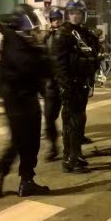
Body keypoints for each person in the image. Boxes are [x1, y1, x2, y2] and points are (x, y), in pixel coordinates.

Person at [0, 4, 52, 198]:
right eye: (29, 26)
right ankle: (0, 173)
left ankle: (27, 181)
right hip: (16, 99)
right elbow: (29, 67)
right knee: (18, 141)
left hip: (28, 98)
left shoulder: (22, 42)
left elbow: (44, 71)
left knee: (32, 141)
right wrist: (41, 50)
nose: (33, 31)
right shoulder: (13, 42)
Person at [51, 0, 98, 173]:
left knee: (79, 121)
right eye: (72, 13)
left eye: (78, 13)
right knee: (71, 122)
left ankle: (76, 153)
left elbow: (93, 54)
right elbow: (59, 63)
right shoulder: (62, 34)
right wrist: (64, 86)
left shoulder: (84, 33)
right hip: (70, 84)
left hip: (82, 83)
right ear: (67, 14)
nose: (75, 16)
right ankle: (69, 158)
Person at [43, 9, 64, 161]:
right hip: (51, 82)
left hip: (65, 81)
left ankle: (73, 148)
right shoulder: (47, 37)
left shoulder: (67, 35)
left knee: (71, 116)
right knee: (50, 116)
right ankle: (53, 146)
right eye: (54, 19)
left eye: (58, 19)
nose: (56, 21)